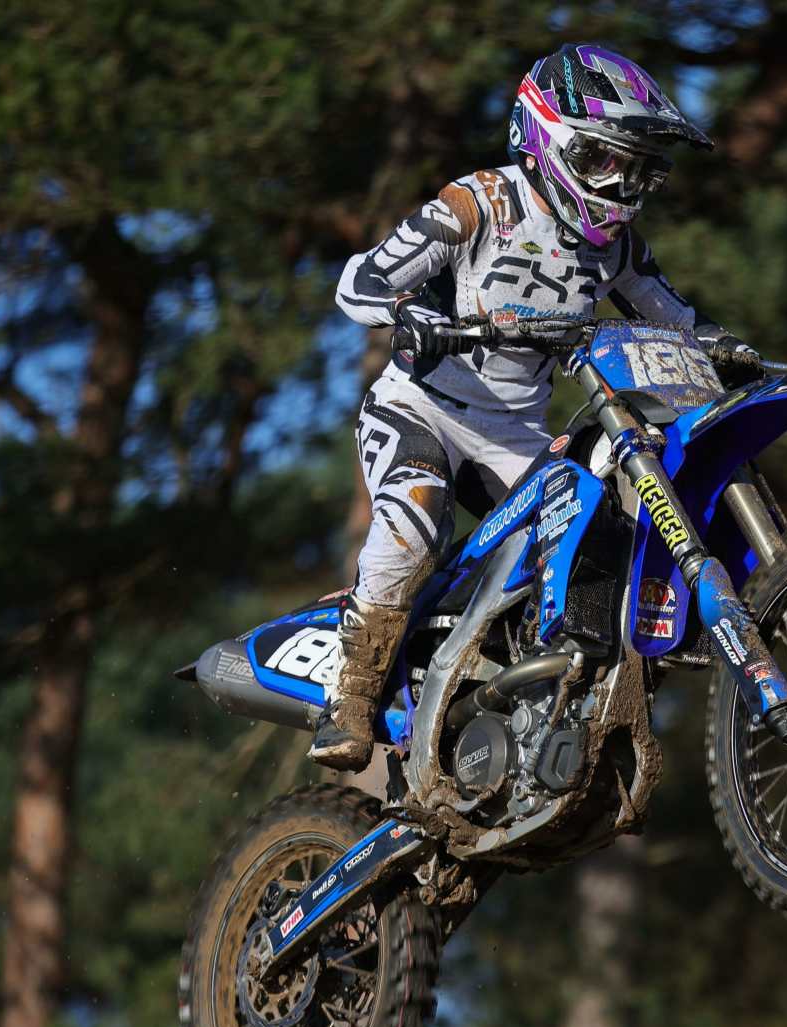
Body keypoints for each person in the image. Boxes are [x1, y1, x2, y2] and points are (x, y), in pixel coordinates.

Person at [313, 43, 752, 771]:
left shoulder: (615, 248)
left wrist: (727, 348)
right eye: (604, 161)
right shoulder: (480, 201)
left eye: (638, 170)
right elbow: (359, 281)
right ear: (550, 139)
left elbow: (676, 319)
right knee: (416, 519)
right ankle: (351, 699)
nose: (622, 186)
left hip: (512, 433)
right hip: (420, 407)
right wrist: (407, 312)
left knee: (596, 535)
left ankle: (537, 704)